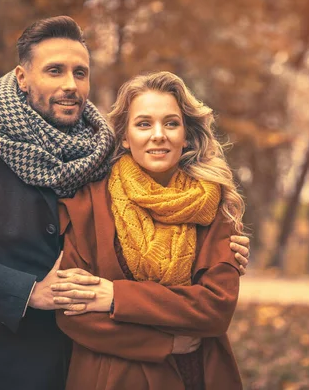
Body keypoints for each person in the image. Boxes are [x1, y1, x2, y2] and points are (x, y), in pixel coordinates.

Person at [0, 16, 250, 390]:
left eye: (80, 72)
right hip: (9, 359)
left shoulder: (100, 153)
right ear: (22, 77)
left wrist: (221, 245)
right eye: (54, 71)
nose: (70, 85)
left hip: (92, 364)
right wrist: (29, 291)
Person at [55, 71, 245, 390]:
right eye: (144, 124)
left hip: (193, 376)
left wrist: (115, 296)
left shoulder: (213, 204)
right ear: (125, 136)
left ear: (186, 134)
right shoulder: (88, 202)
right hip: (112, 377)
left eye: (171, 123)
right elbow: (73, 311)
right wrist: (164, 343)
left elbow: (215, 308)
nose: (159, 135)